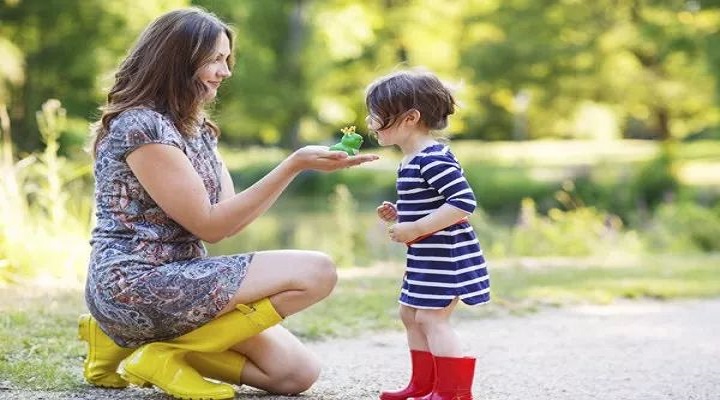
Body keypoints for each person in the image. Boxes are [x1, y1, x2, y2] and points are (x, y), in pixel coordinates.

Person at [77, 7, 378, 400]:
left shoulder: (197, 127)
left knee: (296, 374)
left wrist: (298, 164)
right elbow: (212, 226)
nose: (226, 71)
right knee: (317, 271)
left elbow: (228, 215)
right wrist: (292, 166)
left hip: (184, 277)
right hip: (136, 283)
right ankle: (164, 355)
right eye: (216, 59)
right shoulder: (141, 126)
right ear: (180, 61)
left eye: (226, 59)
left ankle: (123, 342)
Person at [367, 69, 489, 400]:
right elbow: (431, 203)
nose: (370, 121)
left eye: (376, 115)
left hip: (446, 255)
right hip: (426, 256)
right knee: (410, 314)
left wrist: (417, 227)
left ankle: (452, 393)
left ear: (409, 118)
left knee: (433, 319)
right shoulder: (411, 160)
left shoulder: (432, 159)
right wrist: (400, 214)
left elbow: (463, 203)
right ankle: (423, 385)